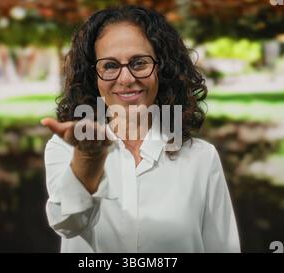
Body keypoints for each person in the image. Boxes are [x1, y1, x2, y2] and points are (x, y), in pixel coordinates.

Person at [41, 5, 240, 253]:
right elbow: (68, 223)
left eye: (139, 62)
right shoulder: (64, 149)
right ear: (94, 76)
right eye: (110, 65)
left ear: (162, 69)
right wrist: (88, 157)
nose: (126, 79)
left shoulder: (201, 158)